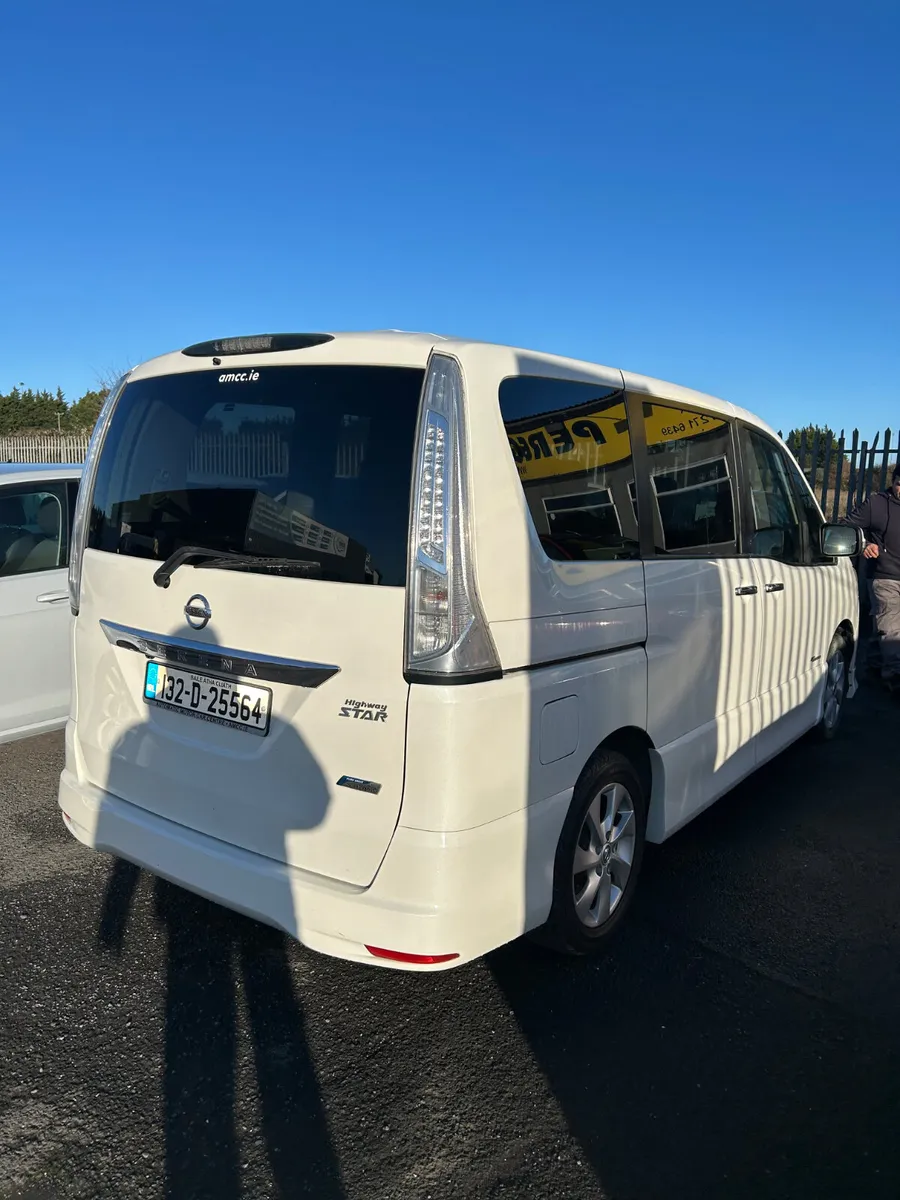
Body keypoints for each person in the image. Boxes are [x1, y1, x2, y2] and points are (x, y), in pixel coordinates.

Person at [843, 463, 900, 686]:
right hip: (884, 577)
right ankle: (895, 678)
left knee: (885, 629)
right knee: (892, 630)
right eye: (899, 484)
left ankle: (875, 667)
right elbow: (846, 526)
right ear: (893, 481)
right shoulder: (876, 504)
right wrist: (864, 544)